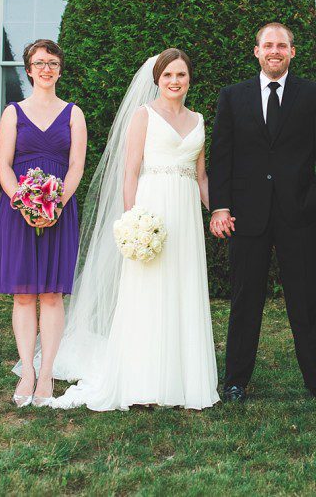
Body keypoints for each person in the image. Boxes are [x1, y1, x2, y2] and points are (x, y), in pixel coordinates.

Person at [48, 49, 219, 411]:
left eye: (182, 75)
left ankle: (186, 384)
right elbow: (129, 171)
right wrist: (132, 220)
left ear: (190, 79)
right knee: (147, 293)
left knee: (184, 288)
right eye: (169, 75)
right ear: (157, 79)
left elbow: (201, 176)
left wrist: (217, 209)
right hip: (151, 212)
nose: (175, 81)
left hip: (186, 215)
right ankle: (142, 383)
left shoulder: (199, 120)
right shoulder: (143, 116)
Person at [210, 22, 316, 406]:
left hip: (299, 214)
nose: (274, 51)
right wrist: (220, 206)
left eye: (281, 45)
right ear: (256, 52)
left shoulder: (313, 95)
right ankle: (235, 381)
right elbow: (222, 156)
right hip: (247, 216)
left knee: (306, 301)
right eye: (268, 45)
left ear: (292, 52)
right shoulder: (232, 97)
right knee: (245, 301)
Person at [0, 40, 86, 407]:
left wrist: (56, 203)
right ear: (28, 69)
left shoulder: (73, 114)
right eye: (39, 63)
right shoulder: (13, 113)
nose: (46, 69)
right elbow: (3, 165)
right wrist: (24, 202)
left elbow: (76, 165)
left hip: (59, 211)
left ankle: (46, 372)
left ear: (60, 69)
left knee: (51, 293)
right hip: (18, 211)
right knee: (24, 292)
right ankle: (26, 372)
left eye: (53, 63)